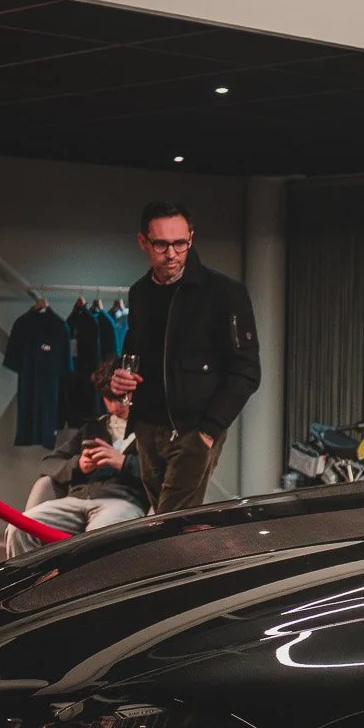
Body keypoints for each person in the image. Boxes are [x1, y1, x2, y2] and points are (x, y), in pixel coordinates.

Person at [110, 201, 260, 512]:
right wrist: (119, 375)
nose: (172, 253)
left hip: (195, 430)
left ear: (191, 238)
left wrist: (208, 431)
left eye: (180, 243)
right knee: (167, 526)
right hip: (148, 429)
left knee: (169, 525)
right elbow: (134, 350)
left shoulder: (224, 292)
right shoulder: (140, 292)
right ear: (143, 242)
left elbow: (246, 370)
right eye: (161, 244)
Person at [8, 362, 150, 554]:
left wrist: (125, 463)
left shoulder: (149, 431)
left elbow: (165, 475)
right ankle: (31, 584)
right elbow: (49, 463)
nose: (117, 405)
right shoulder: (93, 428)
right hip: (77, 499)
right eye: (110, 399)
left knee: (94, 542)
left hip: (122, 501)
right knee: (19, 528)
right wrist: (78, 465)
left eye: (122, 398)